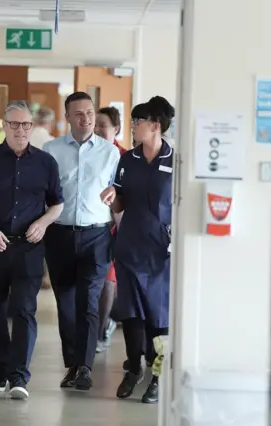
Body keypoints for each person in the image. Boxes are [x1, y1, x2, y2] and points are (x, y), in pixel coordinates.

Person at [0, 100, 64, 400]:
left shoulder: (46, 163)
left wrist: (44, 223)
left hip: (28, 248)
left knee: (24, 309)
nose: (21, 130)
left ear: (32, 127)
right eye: (14, 124)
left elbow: (57, 203)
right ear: (5, 127)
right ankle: (0, 371)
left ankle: (19, 376)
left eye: (26, 125)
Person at [99, 96, 175, 404]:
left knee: (158, 318)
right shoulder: (127, 159)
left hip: (160, 252)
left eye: (138, 122)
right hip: (129, 246)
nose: (133, 127)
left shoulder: (174, 161)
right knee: (130, 312)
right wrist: (111, 196)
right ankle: (133, 370)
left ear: (155, 126)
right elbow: (120, 201)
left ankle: (156, 375)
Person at [42, 92, 120, 391]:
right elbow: (45, 193)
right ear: (68, 117)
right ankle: (73, 365)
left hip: (96, 236)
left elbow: (119, 194)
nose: (86, 118)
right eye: (79, 114)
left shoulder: (110, 152)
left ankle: (85, 367)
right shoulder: (51, 150)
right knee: (66, 304)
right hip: (60, 235)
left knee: (88, 301)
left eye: (89, 112)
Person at [94, 106, 127, 353]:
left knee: (108, 281)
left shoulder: (125, 157)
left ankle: (101, 329)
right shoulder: (90, 153)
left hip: (116, 227)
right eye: (95, 124)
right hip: (91, 225)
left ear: (116, 129)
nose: (96, 129)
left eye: (102, 125)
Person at [31, 106, 57, 290]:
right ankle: (46, 276)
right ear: (50, 123)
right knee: (46, 235)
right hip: (46, 195)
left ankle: (30, 273)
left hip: (25, 195)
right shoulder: (53, 143)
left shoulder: (25, 138)